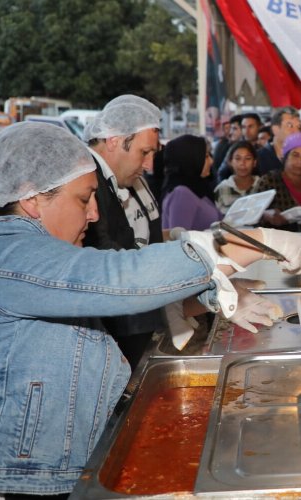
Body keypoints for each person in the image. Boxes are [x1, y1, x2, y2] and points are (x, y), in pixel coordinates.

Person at [0, 122, 301, 499]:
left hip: (27, 469)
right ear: (32, 198)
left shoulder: (33, 253)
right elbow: (120, 277)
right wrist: (249, 243)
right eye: (84, 199)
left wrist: (211, 297)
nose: (95, 214)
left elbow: (106, 306)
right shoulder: (3, 247)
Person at [82, 94, 165, 369]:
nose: (150, 165)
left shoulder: (123, 178)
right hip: (116, 336)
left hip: (140, 322)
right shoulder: (89, 180)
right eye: (144, 152)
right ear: (113, 140)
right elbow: (106, 259)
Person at [254, 132, 301, 229]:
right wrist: (265, 215)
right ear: (285, 157)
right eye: (295, 155)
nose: (300, 161)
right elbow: (252, 213)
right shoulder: (269, 181)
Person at [160, 134, 223, 231]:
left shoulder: (198, 188)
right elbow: (180, 240)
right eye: (205, 156)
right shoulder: (181, 194)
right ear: (190, 159)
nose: (211, 161)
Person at [214, 140, 260, 215]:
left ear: (254, 162)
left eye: (248, 158)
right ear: (230, 162)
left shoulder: (262, 185)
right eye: (238, 159)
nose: (242, 163)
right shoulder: (222, 189)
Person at [257, 106, 301, 175]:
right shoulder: (258, 157)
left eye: (298, 127)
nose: (297, 131)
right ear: (275, 129)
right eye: (290, 126)